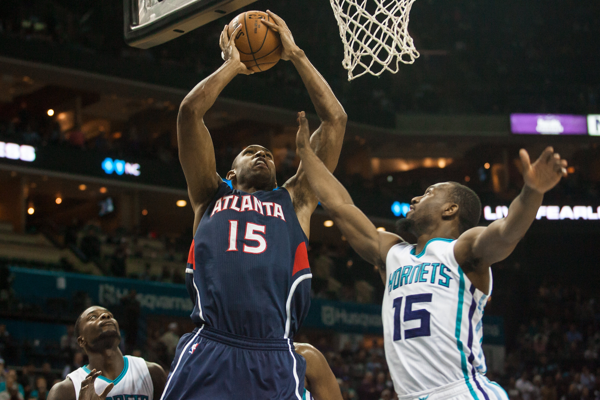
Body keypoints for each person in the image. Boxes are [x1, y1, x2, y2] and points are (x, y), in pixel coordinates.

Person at [295, 113, 568, 400]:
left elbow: (507, 232)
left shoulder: (462, 250)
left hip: (461, 392)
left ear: (450, 209)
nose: (415, 198)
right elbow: (339, 206)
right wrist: (305, 154)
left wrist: (532, 192)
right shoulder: (391, 253)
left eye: (428, 193)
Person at [162, 10, 347, 400]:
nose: (262, 153)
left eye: (268, 153)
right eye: (250, 150)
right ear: (231, 168)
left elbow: (334, 121)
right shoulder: (210, 195)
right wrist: (233, 66)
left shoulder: (295, 199)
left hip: (273, 353)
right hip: (210, 345)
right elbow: (189, 113)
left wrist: (296, 55)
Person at [48, 306, 167, 400]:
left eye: (109, 315)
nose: (105, 316)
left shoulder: (151, 373)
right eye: (93, 317)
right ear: (81, 340)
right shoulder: (66, 391)